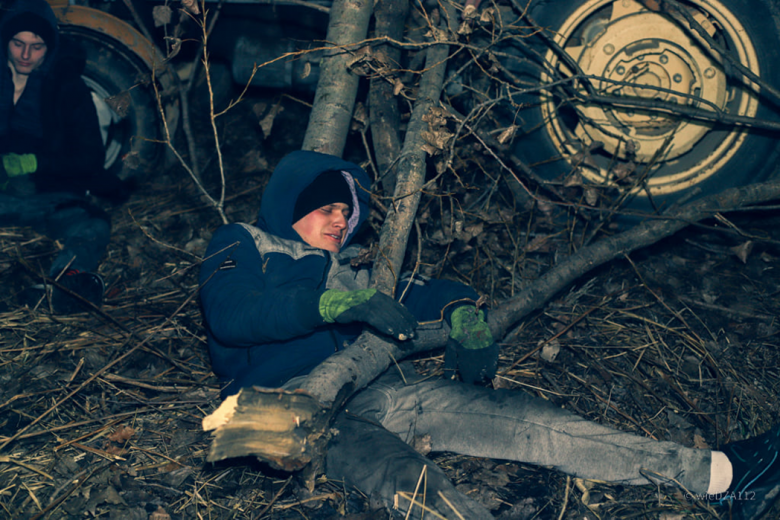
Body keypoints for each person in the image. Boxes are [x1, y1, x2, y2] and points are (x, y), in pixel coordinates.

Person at [199, 150, 780, 520]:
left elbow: (427, 288)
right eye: (326, 208)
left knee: (528, 420)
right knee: (411, 483)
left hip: (376, 388)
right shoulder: (245, 242)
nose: (339, 222)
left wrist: (464, 316)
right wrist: (331, 302)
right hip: (277, 407)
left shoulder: (356, 268)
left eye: (346, 216)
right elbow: (232, 313)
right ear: (291, 205)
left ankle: (718, 477)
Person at [0, 0, 133, 314]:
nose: (25, 55)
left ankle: (63, 284)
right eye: (18, 43)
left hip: (49, 196)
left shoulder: (68, 88)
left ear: (51, 46)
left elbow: (89, 159)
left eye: (37, 46)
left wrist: (35, 163)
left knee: (93, 225)